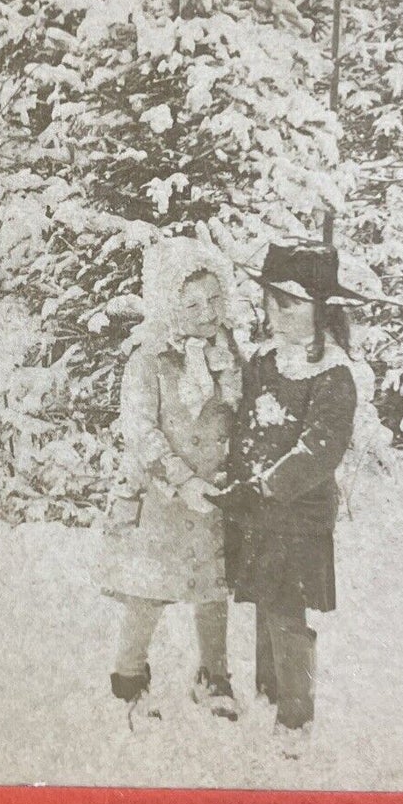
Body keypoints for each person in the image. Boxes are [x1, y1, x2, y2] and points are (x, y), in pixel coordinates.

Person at [221, 243, 361, 745]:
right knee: (263, 598)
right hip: (256, 511)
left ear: (322, 311)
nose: (277, 315)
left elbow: (320, 449)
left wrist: (267, 486)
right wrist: (235, 482)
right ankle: (268, 687)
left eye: (291, 305)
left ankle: (295, 713)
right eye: (272, 303)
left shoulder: (332, 374)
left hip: (298, 516)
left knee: (286, 610)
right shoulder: (264, 360)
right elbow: (244, 427)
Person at [100, 236, 244, 719]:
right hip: (159, 496)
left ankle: (214, 674)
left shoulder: (229, 353)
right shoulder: (147, 360)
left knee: (212, 588)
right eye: (192, 303)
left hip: (212, 494)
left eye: (214, 299)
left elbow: (237, 418)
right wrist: (180, 478)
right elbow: (139, 430)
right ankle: (130, 674)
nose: (207, 312)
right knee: (149, 589)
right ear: (168, 303)